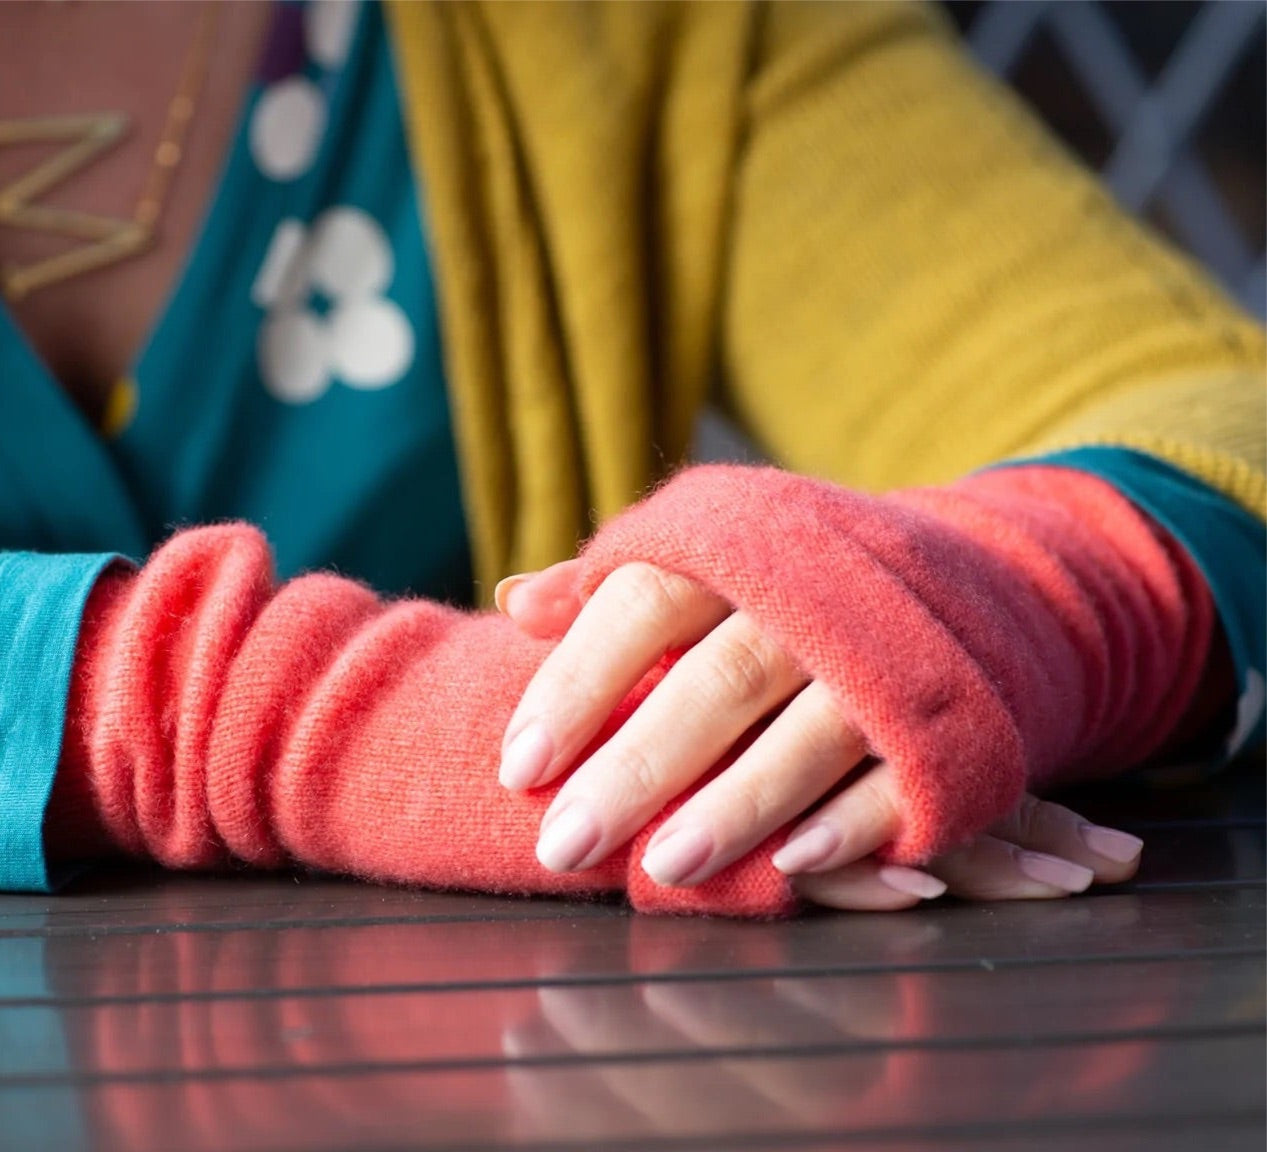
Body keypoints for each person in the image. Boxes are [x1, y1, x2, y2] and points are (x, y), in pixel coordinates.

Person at [1, 0, 1261, 917]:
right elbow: (255, 721)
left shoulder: (612, 26)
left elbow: (1207, 405)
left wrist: (1018, 592)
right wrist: (277, 722)